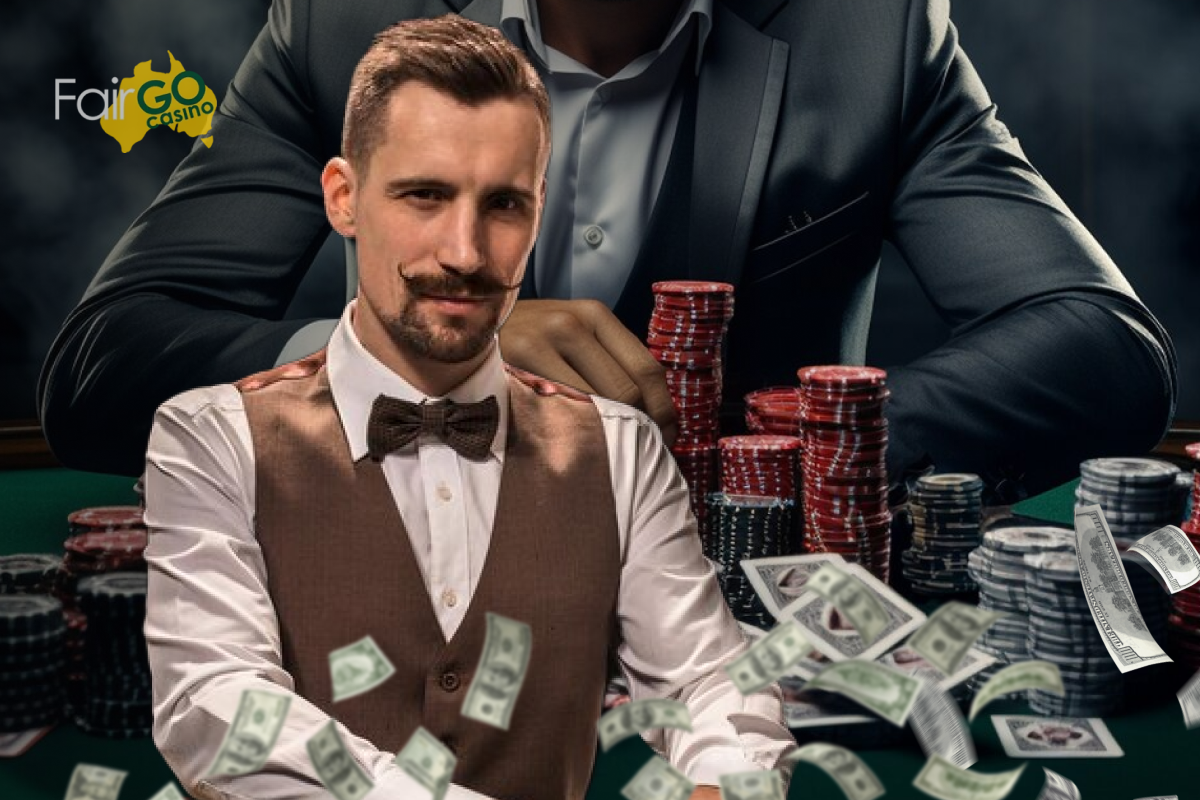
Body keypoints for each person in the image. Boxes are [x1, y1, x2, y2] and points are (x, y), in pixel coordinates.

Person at [41, 0, 1176, 497]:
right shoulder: (343, 20)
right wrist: (395, 359)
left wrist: (783, 444)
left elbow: (1103, 350)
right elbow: (105, 365)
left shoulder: (870, 30)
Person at [142, 17, 794, 800]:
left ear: (540, 210)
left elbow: (711, 684)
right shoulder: (209, 436)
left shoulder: (620, 448)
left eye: (504, 205)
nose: (464, 251)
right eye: (425, 195)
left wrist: (727, 777)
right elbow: (218, 708)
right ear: (344, 199)